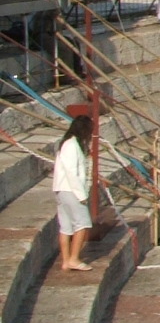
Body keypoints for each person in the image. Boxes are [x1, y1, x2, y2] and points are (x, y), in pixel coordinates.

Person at [53, 114, 94, 272]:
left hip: (62, 190)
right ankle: (74, 259)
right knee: (82, 224)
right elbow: (71, 173)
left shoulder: (69, 144)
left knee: (66, 227)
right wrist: (81, 195)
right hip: (70, 190)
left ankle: (66, 261)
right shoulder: (71, 145)